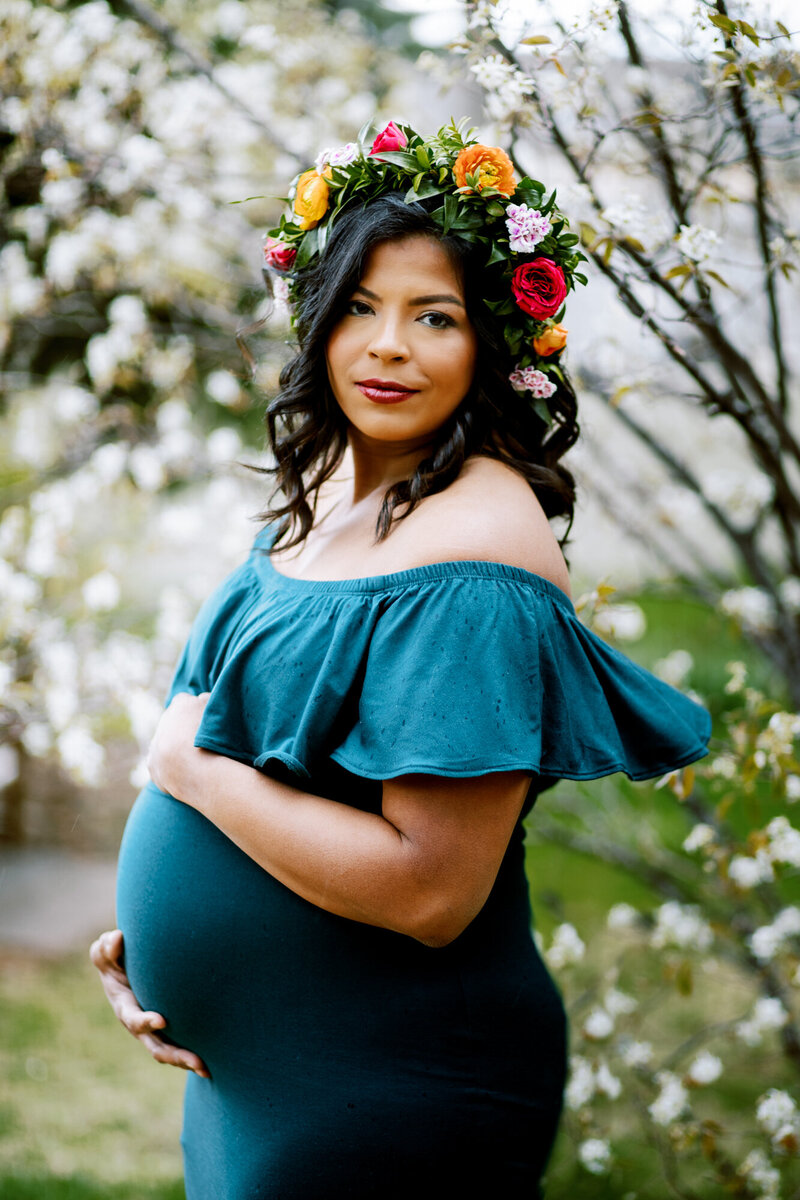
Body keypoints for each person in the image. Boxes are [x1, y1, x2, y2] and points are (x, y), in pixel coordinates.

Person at [91, 120, 712, 1199]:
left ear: (493, 343)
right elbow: (291, 760)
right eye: (361, 309)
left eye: (434, 317)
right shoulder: (333, 486)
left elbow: (430, 889)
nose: (387, 347)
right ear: (317, 320)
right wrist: (155, 948)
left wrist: (194, 777)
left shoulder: (478, 553)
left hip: (391, 1083)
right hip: (259, 1077)